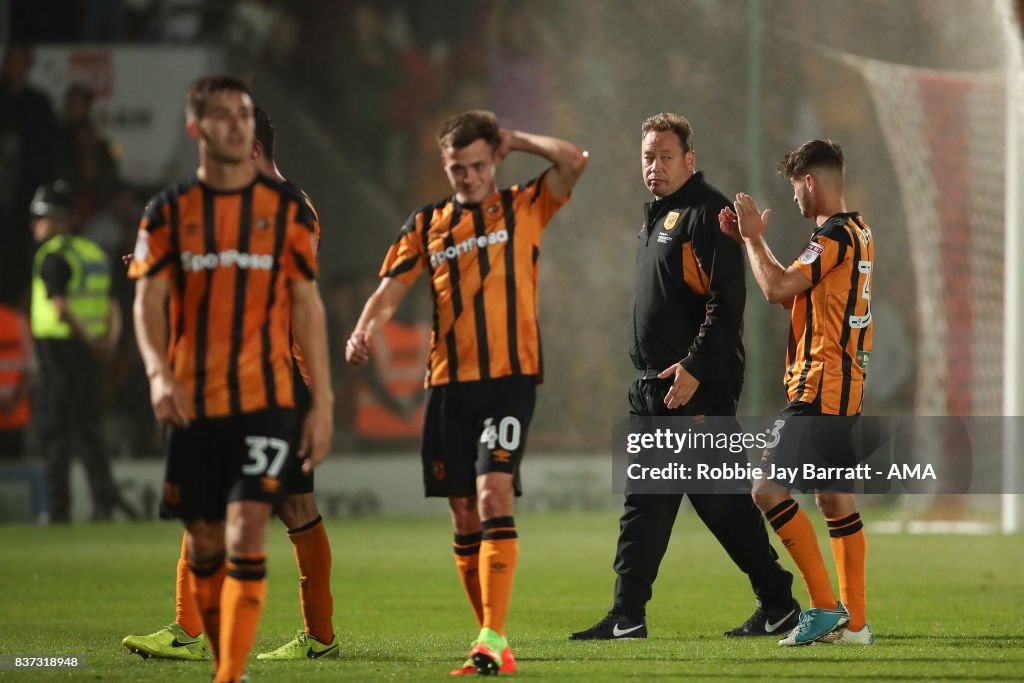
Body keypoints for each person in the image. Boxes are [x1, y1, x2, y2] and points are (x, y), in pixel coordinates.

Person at [346, 109, 587, 675]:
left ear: (495, 160)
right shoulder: (427, 222)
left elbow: (575, 160)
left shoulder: (525, 204)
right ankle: (490, 638)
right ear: (445, 166)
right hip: (448, 383)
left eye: (478, 165)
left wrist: (518, 138)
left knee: (491, 497)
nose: (469, 177)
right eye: (457, 168)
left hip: (509, 379)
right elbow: (390, 290)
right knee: (461, 511)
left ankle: (492, 634)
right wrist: (363, 330)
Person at [128, 76, 333, 683]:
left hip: (279, 379)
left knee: (290, 507)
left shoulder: (293, 209)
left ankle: (306, 637)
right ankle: (194, 631)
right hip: (217, 381)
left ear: (251, 145)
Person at [570, 113, 798, 642]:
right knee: (657, 504)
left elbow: (729, 302)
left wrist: (696, 367)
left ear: (689, 160)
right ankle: (634, 614)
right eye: (648, 157)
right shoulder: (657, 216)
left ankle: (776, 602)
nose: (655, 166)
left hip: (691, 386)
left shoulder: (707, 212)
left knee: (709, 504)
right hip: (655, 387)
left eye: (666, 157)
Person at [719, 138, 874, 646]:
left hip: (819, 385)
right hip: (845, 386)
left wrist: (751, 239)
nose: (793, 200)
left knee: (765, 488)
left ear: (810, 181)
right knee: (834, 499)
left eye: (793, 189)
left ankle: (826, 608)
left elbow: (777, 289)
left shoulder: (830, 236)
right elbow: (807, 303)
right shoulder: (860, 232)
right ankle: (855, 625)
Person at [29, 179, 134, 522]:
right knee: (90, 431)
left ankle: (58, 510)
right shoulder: (93, 254)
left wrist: (90, 341)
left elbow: (59, 307)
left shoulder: (52, 257)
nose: (36, 225)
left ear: (60, 219)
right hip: (92, 356)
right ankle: (104, 505)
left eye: (42, 217)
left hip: (59, 356)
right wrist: (106, 344)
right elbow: (114, 305)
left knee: (57, 433)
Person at [0, 299, 36, 458]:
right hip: (16, 412)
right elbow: (32, 369)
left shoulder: (21, 322)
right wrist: (14, 399)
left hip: (14, 415)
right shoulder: (20, 322)